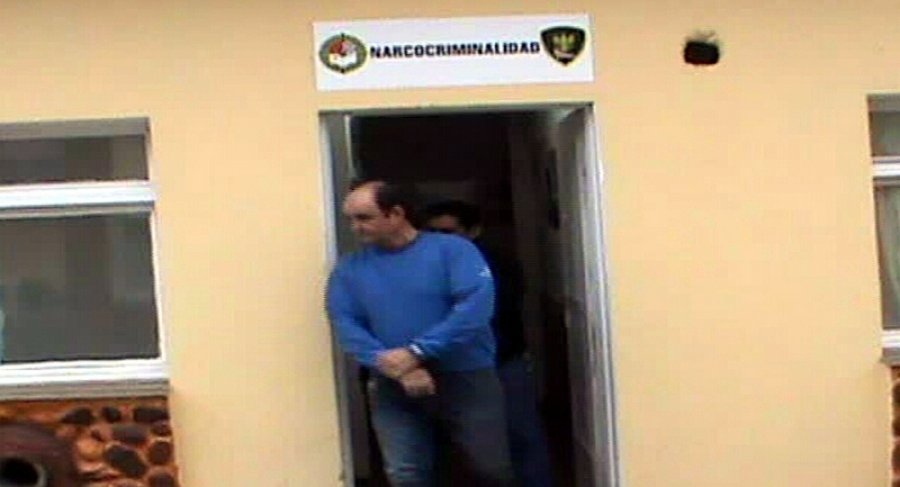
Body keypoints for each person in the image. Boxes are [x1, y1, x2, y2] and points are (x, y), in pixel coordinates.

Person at [326, 180, 515, 487]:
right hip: (393, 383)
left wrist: (417, 352)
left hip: (466, 376)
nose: (355, 227)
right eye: (351, 219)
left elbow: (474, 308)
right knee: (406, 473)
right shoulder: (350, 269)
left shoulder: (454, 251)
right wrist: (393, 365)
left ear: (396, 214)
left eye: (364, 218)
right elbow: (345, 323)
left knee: (488, 469)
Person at [426, 200, 554, 487]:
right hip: (448, 364)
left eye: (447, 232)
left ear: (473, 231)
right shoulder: (424, 265)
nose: (439, 240)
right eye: (431, 233)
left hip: (501, 360)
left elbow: (494, 311)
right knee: (453, 443)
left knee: (521, 434)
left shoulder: (496, 264)